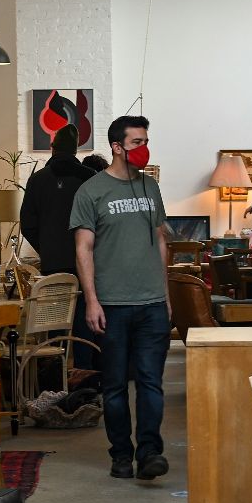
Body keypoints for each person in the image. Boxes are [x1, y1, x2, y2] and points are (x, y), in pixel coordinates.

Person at [71, 115, 171, 480]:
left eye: (146, 141)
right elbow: (83, 249)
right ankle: (120, 454)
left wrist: (166, 294)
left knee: (150, 382)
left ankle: (149, 453)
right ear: (117, 146)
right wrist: (92, 300)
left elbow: (160, 241)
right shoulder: (92, 191)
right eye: (136, 143)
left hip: (151, 304)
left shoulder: (151, 188)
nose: (143, 149)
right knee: (114, 386)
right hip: (111, 305)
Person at [21, 125, 99, 368]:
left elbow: (27, 225)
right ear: (76, 149)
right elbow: (104, 223)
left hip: (53, 266)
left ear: (52, 148)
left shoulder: (37, 180)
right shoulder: (90, 178)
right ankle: (85, 380)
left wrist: (47, 248)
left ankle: (53, 383)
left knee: (54, 326)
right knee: (86, 324)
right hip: (86, 265)